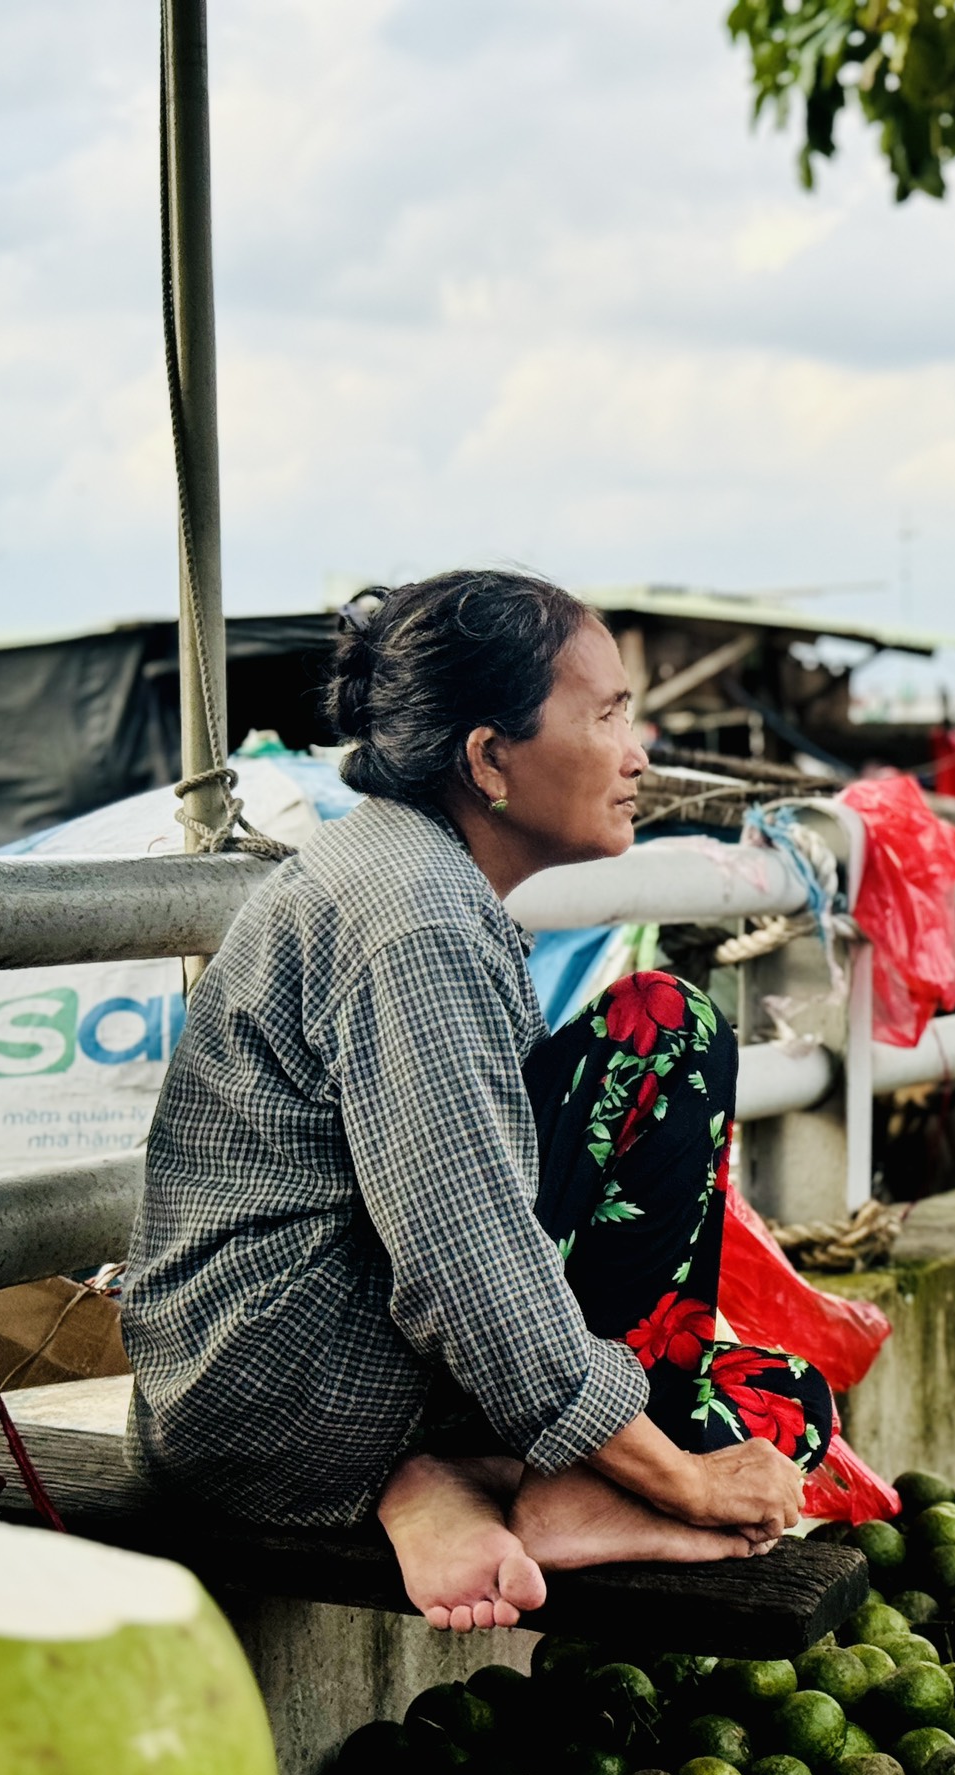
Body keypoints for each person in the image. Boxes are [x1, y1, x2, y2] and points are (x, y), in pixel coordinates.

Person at [123, 571, 829, 1632]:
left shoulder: (413, 872)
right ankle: (523, 1481)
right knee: (668, 1039)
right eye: (605, 716)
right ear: (490, 760)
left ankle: (446, 1475)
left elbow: (471, 1221)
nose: (639, 754)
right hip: (279, 1404)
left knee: (780, 1393)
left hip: (252, 1376)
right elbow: (470, 1268)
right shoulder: (420, 923)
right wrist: (677, 1483)